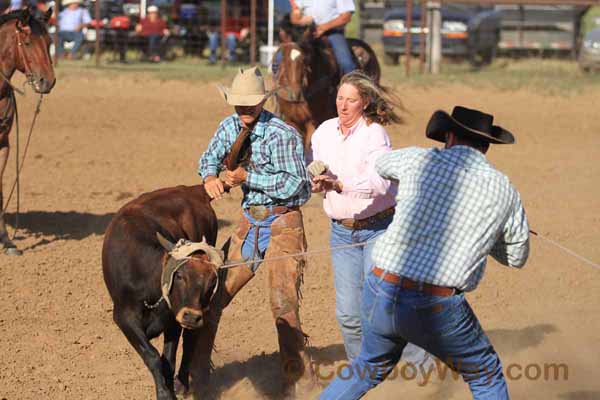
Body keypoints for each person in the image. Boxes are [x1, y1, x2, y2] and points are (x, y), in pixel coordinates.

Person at [319, 106, 531, 399]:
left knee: (367, 366)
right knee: (485, 373)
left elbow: (381, 165)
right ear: (485, 147)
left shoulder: (419, 158)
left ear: (450, 137)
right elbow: (517, 257)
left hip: (380, 286)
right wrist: (487, 234)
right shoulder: (504, 189)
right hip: (435, 305)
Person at [197, 67, 317, 396]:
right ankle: (198, 372)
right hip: (250, 223)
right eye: (239, 104)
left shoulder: (283, 134)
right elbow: (208, 157)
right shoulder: (228, 127)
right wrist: (210, 176)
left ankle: (297, 380)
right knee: (213, 295)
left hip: (283, 223)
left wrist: (246, 178)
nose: (245, 109)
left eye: (250, 104)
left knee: (283, 303)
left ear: (262, 102)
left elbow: (299, 187)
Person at [308, 71, 430, 366]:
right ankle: (365, 371)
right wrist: (315, 181)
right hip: (341, 232)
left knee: (381, 306)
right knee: (349, 314)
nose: (344, 105)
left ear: (364, 102)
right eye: (340, 98)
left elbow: (381, 183)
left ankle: (421, 368)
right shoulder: (322, 132)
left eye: (351, 100)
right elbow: (311, 169)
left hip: (379, 229)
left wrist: (338, 184)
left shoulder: (375, 134)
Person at [289, 0, 357, 74]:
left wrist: (323, 28)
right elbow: (295, 15)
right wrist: (300, 20)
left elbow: (346, 16)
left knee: (346, 64)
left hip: (333, 33)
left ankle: (351, 82)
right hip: (307, 33)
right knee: (282, 57)